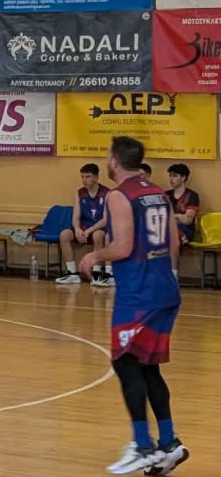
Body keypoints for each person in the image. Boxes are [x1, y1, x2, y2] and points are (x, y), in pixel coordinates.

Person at [78, 137, 187, 475]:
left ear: (114, 160)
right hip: (165, 287)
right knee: (148, 366)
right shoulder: (158, 193)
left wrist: (95, 255)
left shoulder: (118, 195)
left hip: (139, 293)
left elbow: (123, 247)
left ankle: (143, 446)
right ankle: (168, 443)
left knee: (125, 363)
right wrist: (167, 275)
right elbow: (173, 242)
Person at [56, 163, 112, 287]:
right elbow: (76, 216)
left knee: (98, 235)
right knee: (64, 235)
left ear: (96, 178)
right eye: (82, 177)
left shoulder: (107, 193)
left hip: (98, 227)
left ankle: (97, 272)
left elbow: (105, 219)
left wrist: (89, 230)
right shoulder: (80, 193)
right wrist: (77, 229)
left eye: (88, 177)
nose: (84, 180)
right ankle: (72, 273)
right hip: (84, 227)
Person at [166, 164, 200, 271]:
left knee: (173, 237)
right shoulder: (166, 195)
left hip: (185, 230)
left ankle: (173, 272)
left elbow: (188, 220)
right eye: (170, 176)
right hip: (168, 228)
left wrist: (171, 216)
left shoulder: (192, 195)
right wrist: (179, 216)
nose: (171, 179)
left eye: (175, 176)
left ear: (183, 178)